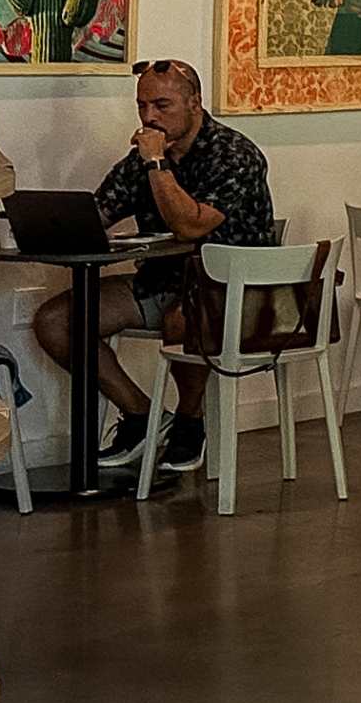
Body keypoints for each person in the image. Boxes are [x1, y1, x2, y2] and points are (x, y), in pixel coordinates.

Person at [27, 59, 282, 476]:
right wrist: (44, 225)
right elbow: (97, 214)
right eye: (142, 105)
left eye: (162, 105)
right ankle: (144, 417)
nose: (149, 117)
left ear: (195, 103)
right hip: (163, 280)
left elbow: (191, 225)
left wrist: (157, 165)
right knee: (57, 322)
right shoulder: (140, 161)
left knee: (180, 319)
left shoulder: (233, 154)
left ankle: (189, 423)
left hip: (238, 290)